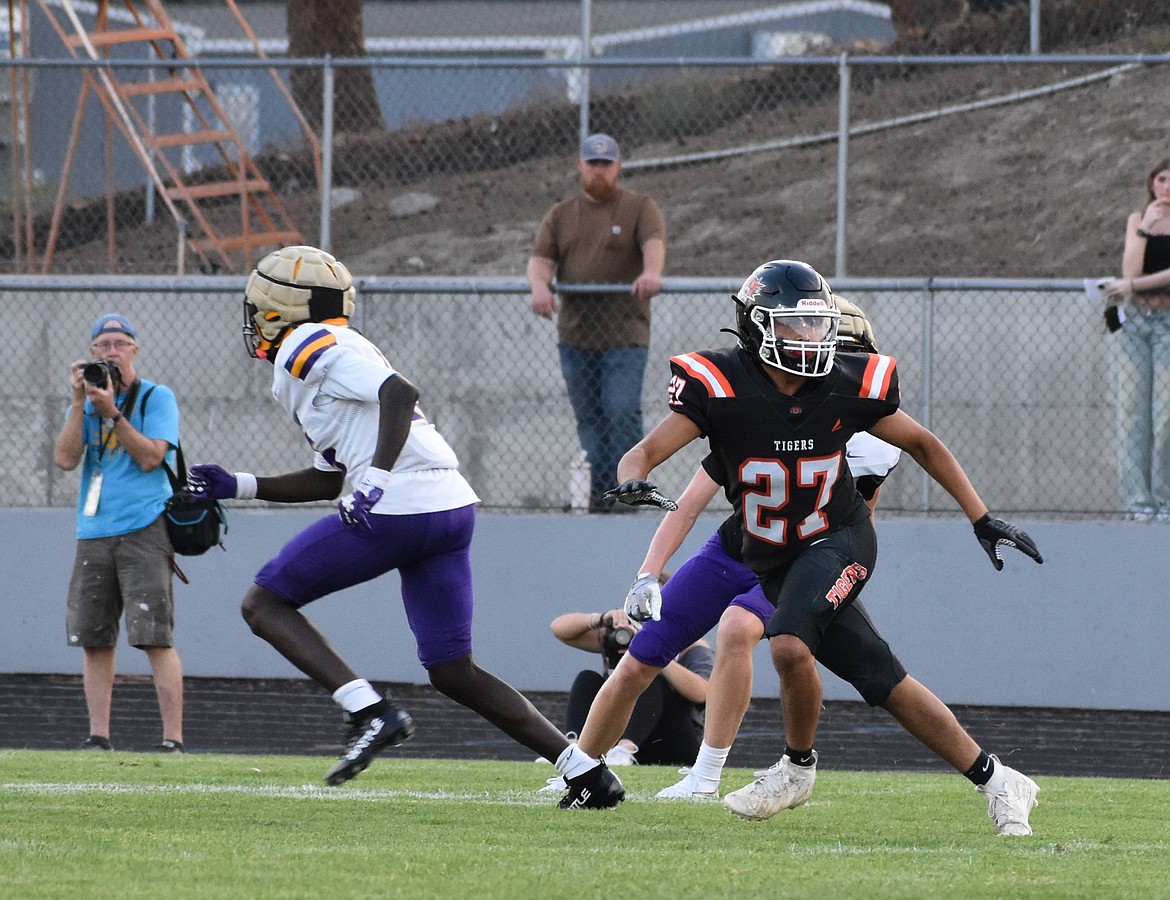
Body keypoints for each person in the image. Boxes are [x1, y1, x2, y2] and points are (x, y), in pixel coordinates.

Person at [603, 259, 1045, 835]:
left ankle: (797, 767)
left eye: (816, 322)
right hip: (773, 555)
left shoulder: (843, 384)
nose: (810, 336)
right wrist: (632, 478)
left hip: (840, 538)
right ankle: (1000, 780)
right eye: (794, 323)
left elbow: (922, 442)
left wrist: (981, 518)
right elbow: (643, 452)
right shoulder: (722, 386)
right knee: (881, 678)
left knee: (788, 643)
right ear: (757, 325)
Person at [184, 245, 622, 808]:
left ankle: (369, 711)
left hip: (400, 505)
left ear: (279, 310)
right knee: (452, 670)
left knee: (263, 603)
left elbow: (399, 392)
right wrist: (239, 484)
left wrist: (376, 480)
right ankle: (586, 774)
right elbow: (328, 477)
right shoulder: (332, 350)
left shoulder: (304, 342)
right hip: (448, 507)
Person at [54, 313, 185, 753]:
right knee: (94, 639)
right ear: (92, 353)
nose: (111, 353)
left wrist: (113, 413)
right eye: (103, 345)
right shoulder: (86, 402)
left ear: (134, 350)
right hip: (93, 529)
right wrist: (80, 402)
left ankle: (172, 740)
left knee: (154, 636)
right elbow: (65, 460)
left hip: (144, 526)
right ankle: (98, 737)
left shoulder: (155, 397)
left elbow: (151, 458)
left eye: (119, 344)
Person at [527, 133, 667, 511]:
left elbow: (653, 244)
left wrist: (651, 273)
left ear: (618, 166)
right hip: (576, 337)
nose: (599, 171)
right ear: (580, 166)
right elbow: (541, 260)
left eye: (606, 164)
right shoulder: (561, 214)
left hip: (625, 334)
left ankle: (630, 494)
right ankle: (599, 498)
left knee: (622, 412)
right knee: (590, 420)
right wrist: (539, 287)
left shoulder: (639, 207)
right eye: (593, 164)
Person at [550, 601, 711, 769]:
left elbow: (702, 693)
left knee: (646, 677)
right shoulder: (623, 636)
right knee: (587, 678)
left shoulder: (693, 648)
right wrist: (600, 619)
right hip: (623, 736)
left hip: (674, 741)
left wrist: (652, 652)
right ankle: (573, 748)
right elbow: (559, 629)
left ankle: (625, 749)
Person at [1104, 157, 1170, 522]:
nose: (1167, 187)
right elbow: (1129, 269)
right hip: (1136, 325)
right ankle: (1138, 502)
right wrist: (1145, 228)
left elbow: (1135, 280)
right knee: (1133, 413)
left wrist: (1132, 286)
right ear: (1152, 183)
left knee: (1166, 415)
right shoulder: (1137, 220)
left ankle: (1165, 499)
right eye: (1162, 179)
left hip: (1168, 324)